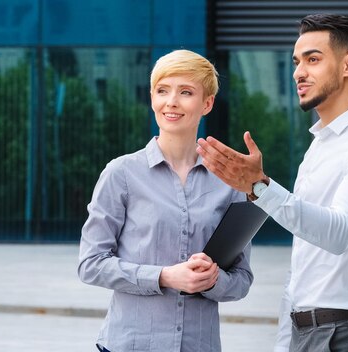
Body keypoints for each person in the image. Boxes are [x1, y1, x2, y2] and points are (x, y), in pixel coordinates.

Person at [196, 14, 348, 351]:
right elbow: (305, 263)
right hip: (306, 331)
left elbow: (340, 233)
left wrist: (260, 188)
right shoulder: (320, 144)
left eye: (313, 59)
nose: (299, 72)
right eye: (296, 61)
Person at [78, 49, 253, 352]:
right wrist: (164, 277)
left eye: (186, 92)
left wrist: (213, 281)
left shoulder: (228, 182)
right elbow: (90, 264)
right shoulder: (121, 173)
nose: (171, 101)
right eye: (162, 90)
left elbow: (242, 279)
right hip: (128, 345)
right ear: (152, 98)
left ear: (207, 103)